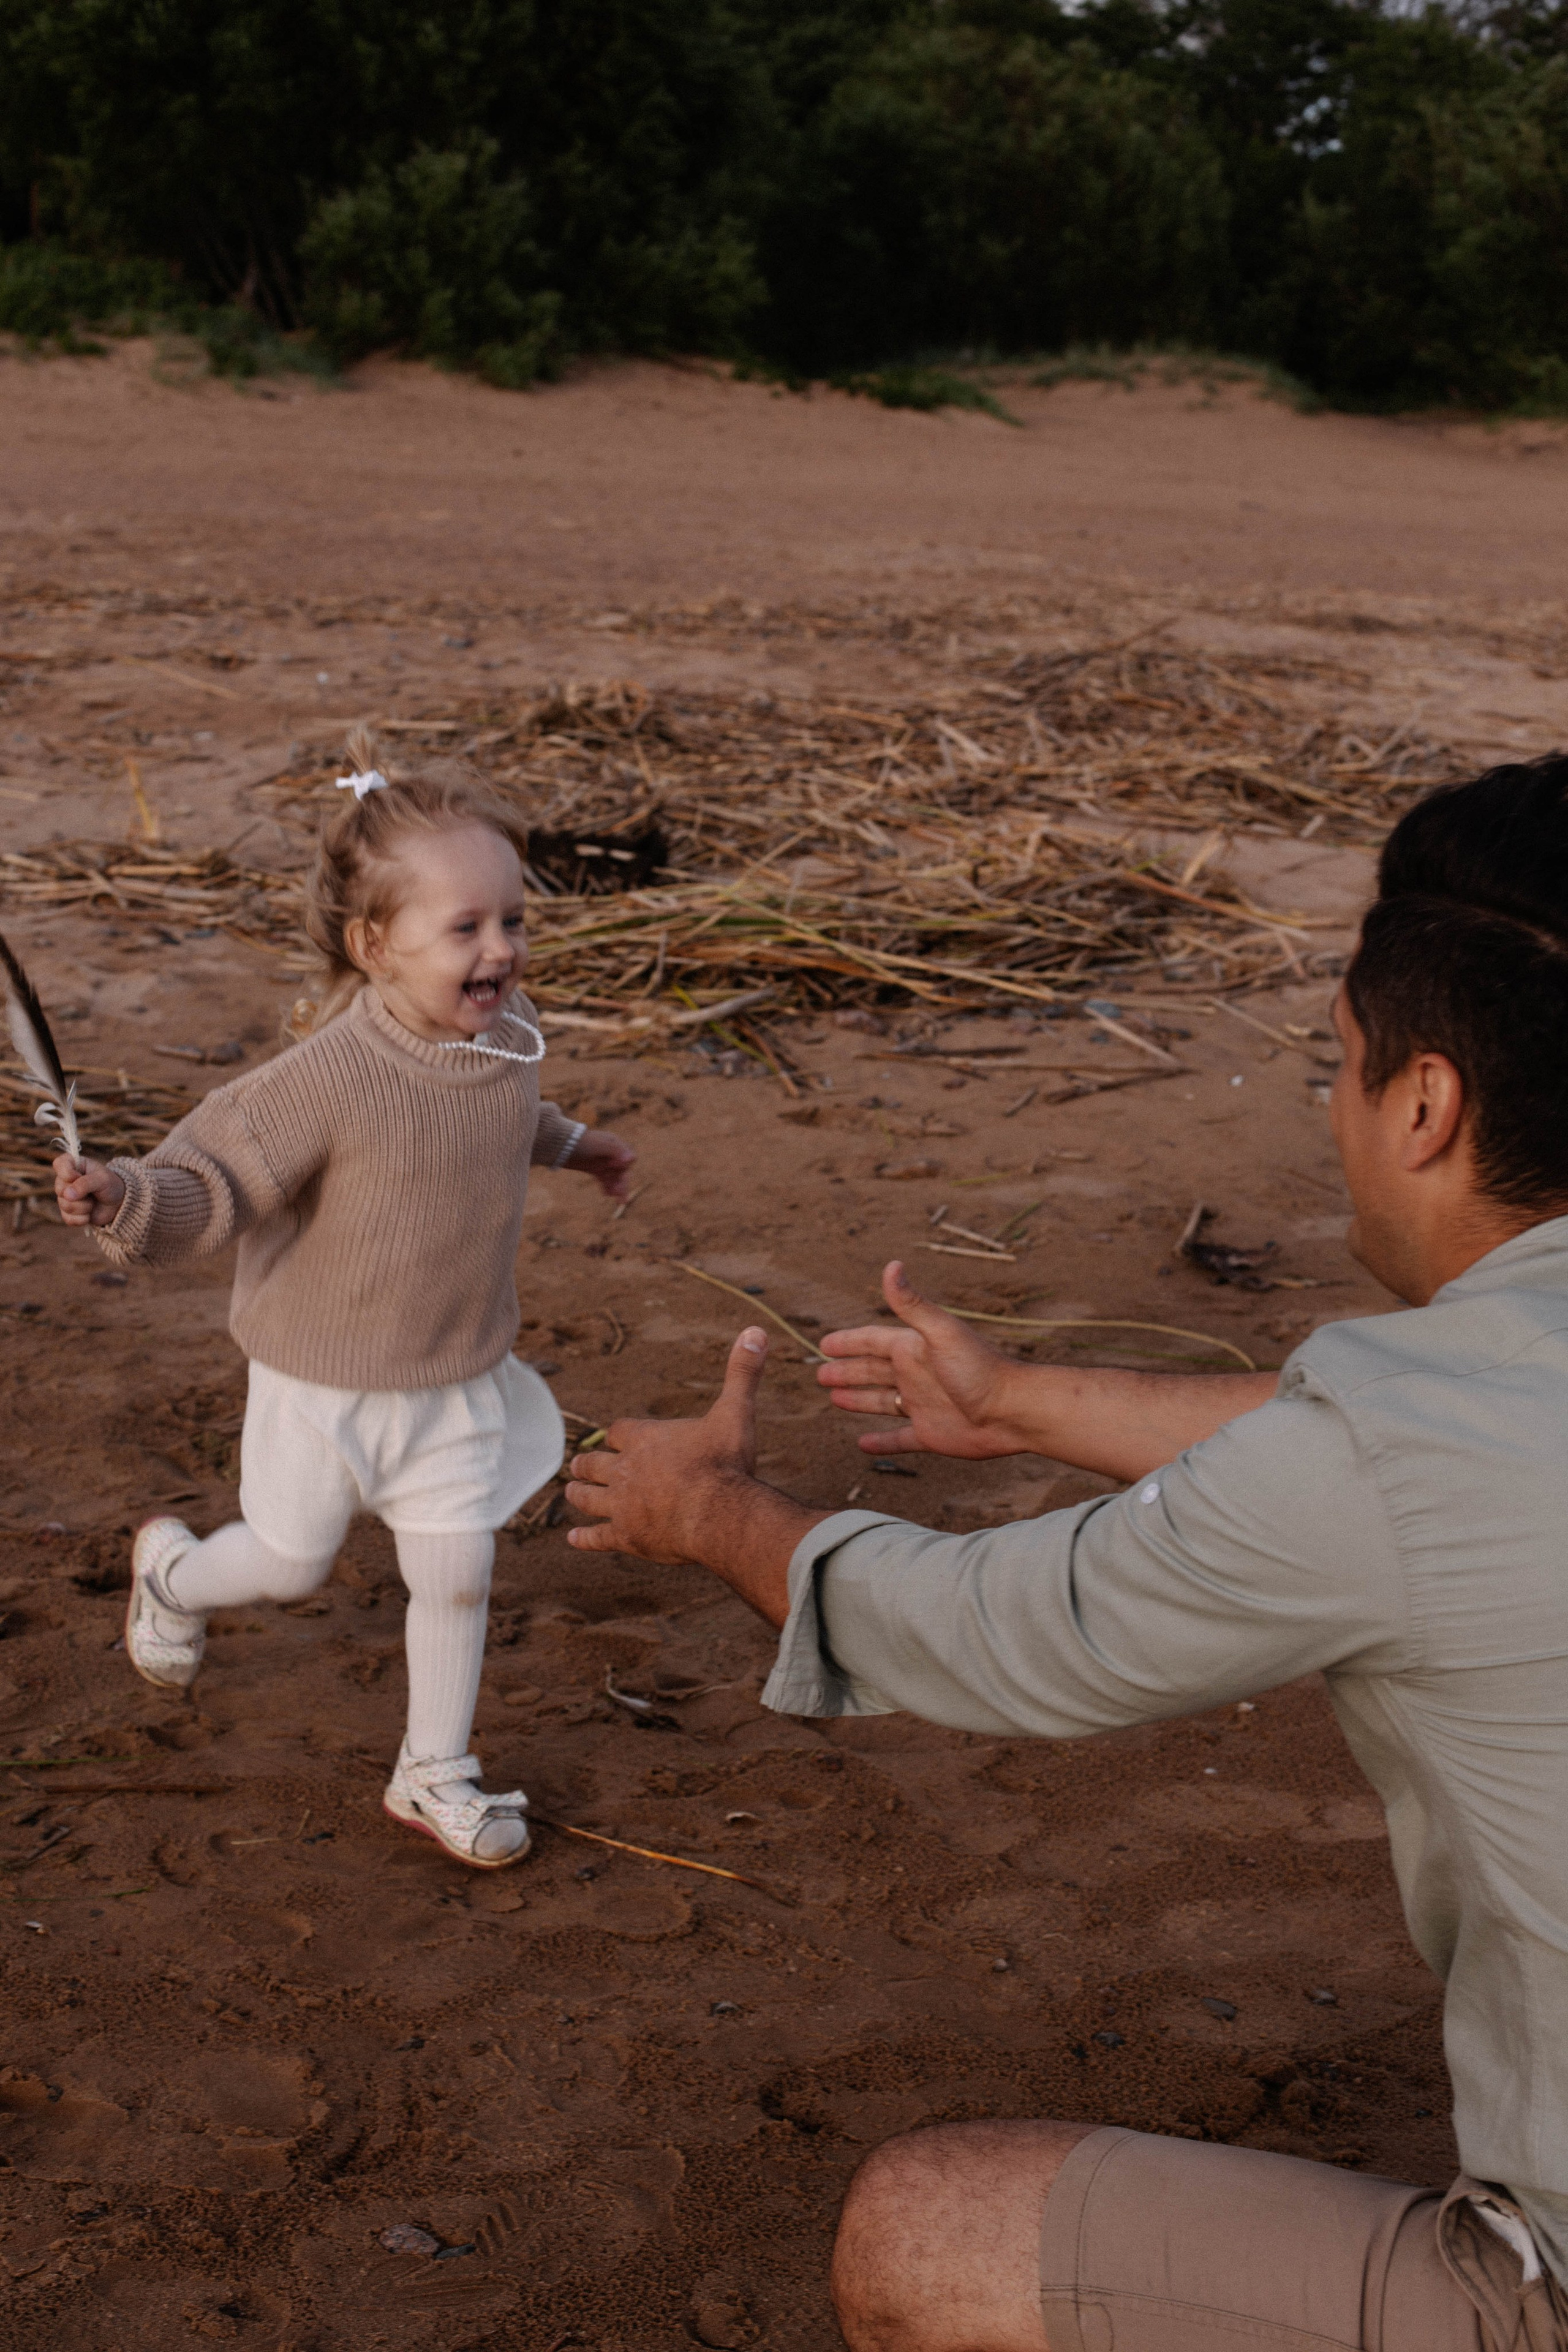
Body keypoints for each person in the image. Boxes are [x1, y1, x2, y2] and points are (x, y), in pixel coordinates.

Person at [562, 756, 1568, 2349]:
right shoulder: (1431, 1424)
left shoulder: (1397, 1442)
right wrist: (1026, 1401)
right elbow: (1431, 1453)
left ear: (1426, 1103)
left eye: (1344, 1065)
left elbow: (983, 1628)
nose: (1335, 1108)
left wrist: (714, 1518)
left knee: (921, 2231)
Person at [54, 733, 633, 1871]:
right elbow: (208, 1181)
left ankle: (434, 1771)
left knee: (459, 1570)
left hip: (455, 1370)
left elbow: (507, 1118)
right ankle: (173, 1570)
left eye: (512, 921)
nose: (502, 949)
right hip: (322, 1382)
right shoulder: (324, 1080)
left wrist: (577, 1146)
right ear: (375, 945)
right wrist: (123, 1194)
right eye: (466, 928)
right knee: (288, 1563)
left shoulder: (503, 1042)